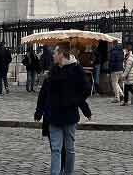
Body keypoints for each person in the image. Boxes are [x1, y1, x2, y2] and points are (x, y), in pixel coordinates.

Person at [34, 44, 92, 175]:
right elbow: (44, 92)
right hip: (53, 116)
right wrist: (39, 110)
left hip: (69, 115)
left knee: (69, 148)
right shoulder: (52, 70)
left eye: (55, 53)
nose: (53, 55)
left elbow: (86, 90)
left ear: (61, 54)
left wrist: (75, 103)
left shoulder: (76, 69)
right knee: (55, 149)